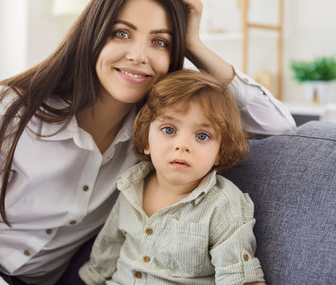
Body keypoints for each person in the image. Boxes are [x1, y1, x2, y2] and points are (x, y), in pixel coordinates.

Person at [0, 0, 294, 284]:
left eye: (159, 41)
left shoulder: (156, 133)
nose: (138, 54)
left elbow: (277, 126)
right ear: (93, 35)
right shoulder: (12, 110)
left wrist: (195, 45)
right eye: (121, 33)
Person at [79, 69, 266, 285]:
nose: (182, 145)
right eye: (168, 130)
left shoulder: (223, 205)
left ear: (220, 152)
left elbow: (241, 277)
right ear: (146, 140)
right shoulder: (130, 186)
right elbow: (106, 253)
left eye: (202, 136)